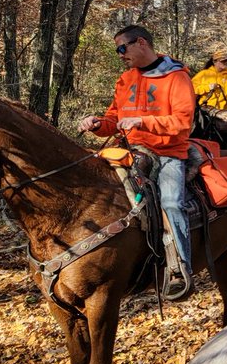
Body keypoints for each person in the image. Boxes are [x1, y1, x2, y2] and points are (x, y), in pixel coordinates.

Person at [80, 25, 197, 300]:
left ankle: (180, 268)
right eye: (117, 50)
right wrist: (97, 124)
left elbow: (182, 123)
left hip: (167, 152)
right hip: (129, 151)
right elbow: (113, 120)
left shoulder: (177, 77)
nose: (120, 54)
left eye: (123, 48)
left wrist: (143, 121)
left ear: (141, 42)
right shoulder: (125, 79)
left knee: (171, 202)